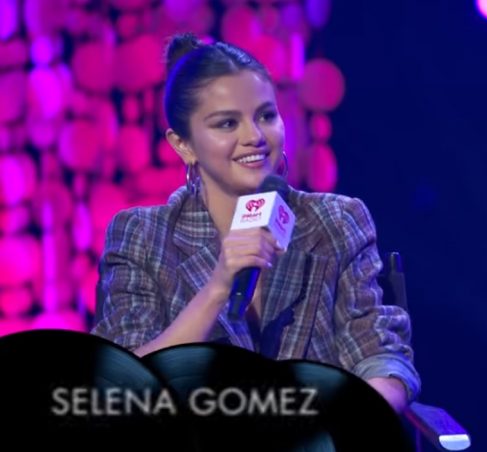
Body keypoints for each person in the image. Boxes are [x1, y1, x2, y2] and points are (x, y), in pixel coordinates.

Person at [91, 33, 420, 413]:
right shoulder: (143, 236)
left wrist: (353, 419)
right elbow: (122, 387)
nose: (255, 137)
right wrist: (218, 288)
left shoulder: (336, 221)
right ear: (183, 144)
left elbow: (379, 354)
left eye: (266, 116)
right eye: (227, 124)